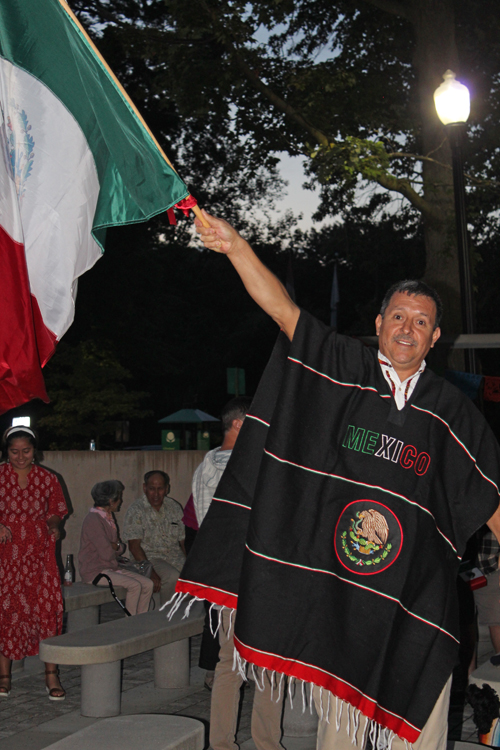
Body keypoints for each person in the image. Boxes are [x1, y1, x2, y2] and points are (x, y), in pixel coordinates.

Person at [178, 210, 500, 750]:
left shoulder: (452, 411)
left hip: (414, 597)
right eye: (398, 316)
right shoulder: (341, 367)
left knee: (422, 723)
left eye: (421, 322)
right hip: (340, 594)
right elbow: (282, 309)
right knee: (340, 736)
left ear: (436, 336)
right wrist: (236, 248)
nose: (407, 328)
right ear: (378, 324)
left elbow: (489, 496)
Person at [0, 426, 68, 700]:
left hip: (39, 554)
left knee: (45, 608)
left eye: (25, 451)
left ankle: (51, 674)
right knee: (7, 608)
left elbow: (56, 511)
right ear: (6, 451)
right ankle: (4, 674)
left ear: (35, 451)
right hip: (6, 555)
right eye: (14, 451)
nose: (20, 457)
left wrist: (55, 527)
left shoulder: (48, 478)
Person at [193, 397, 250, 692]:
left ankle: (217, 674)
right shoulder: (242, 466)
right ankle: (223, 676)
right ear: (239, 424)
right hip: (236, 562)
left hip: (214, 558)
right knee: (227, 630)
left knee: (217, 623)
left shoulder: (205, 465)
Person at [78, 480, 153, 615]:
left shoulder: (108, 518)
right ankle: (130, 624)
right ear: (111, 501)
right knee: (135, 586)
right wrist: (115, 547)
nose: (121, 501)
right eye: (119, 498)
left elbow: (120, 547)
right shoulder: (93, 520)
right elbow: (107, 553)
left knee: (148, 584)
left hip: (111, 568)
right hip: (94, 572)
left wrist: (115, 546)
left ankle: (141, 622)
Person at [122, 471, 185, 605]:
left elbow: (183, 541)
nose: (156, 494)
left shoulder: (174, 507)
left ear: (166, 489)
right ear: (145, 488)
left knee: (198, 578)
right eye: (151, 489)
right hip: (149, 558)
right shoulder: (136, 510)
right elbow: (134, 546)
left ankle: (183, 616)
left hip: (174, 556)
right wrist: (149, 569)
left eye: (160, 488)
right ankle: (166, 616)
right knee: (172, 577)